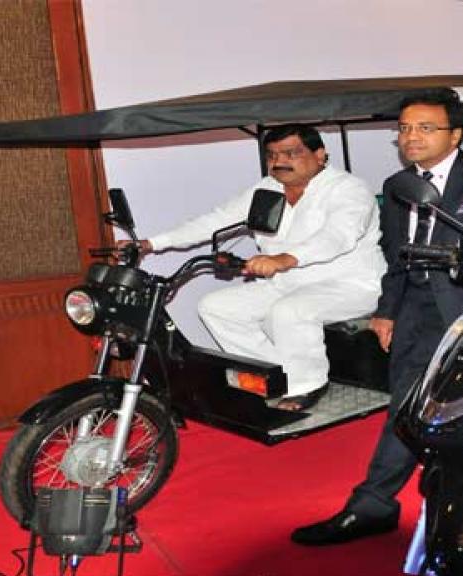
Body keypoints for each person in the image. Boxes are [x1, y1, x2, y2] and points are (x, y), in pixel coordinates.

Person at [291, 93, 463, 545]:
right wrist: (387, 312)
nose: (411, 137)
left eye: (425, 128)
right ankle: (384, 503)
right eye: (404, 128)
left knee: (449, 412)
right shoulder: (398, 185)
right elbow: (395, 256)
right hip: (415, 312)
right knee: (407, 409)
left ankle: (389, 503)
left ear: (455, 134)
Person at [130, 124, 386, 411]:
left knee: (289, 311)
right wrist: (152, 243)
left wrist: (284, 259)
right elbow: (216, 219)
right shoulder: (267, 189)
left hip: (349, 285)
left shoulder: (348, 189)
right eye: (272, 155)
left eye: (291, 153)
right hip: (286, 283)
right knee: (216, 307)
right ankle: (276, 373)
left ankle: (307, 384)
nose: (279, 161)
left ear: (320, 155)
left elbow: (337, 236)